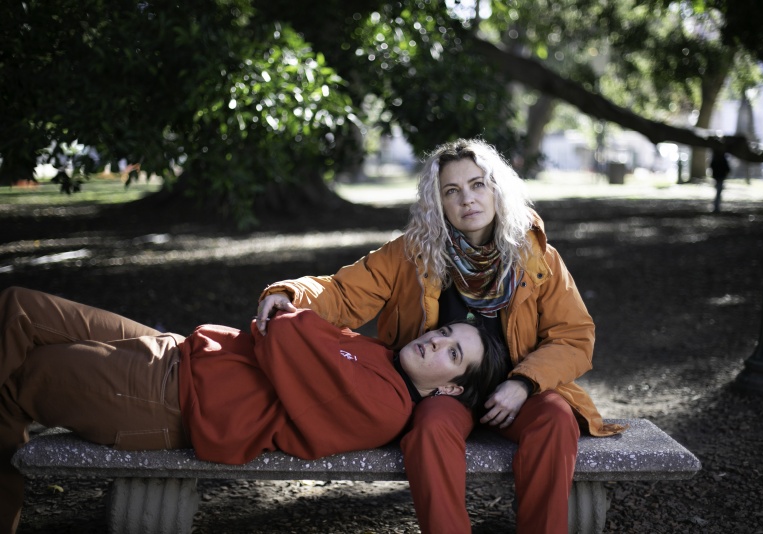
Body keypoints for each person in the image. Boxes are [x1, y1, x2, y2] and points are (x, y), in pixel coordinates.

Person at [256, 138, 626, 534]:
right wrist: (292, 293)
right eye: (452, 191)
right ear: (439, 202)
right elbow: (343, 293)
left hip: (518, 391)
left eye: (478, 184)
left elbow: (574, 336)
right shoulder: (411, 253)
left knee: (555, 417)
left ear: (497, 189)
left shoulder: (539, 259)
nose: (467, 199)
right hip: (441, 391)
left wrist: (523, 383)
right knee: (431, 428)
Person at [0, 286, 509, 534]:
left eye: (452, 354)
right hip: (177, 350)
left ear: (449, 389)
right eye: (444, 332)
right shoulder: (381, 355)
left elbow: (283, 330)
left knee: (19, 380)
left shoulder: (385, 406)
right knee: (17, 308)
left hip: (162, 399)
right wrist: (300, 325)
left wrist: (297, 323)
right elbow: (295, 328)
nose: (435, 342)